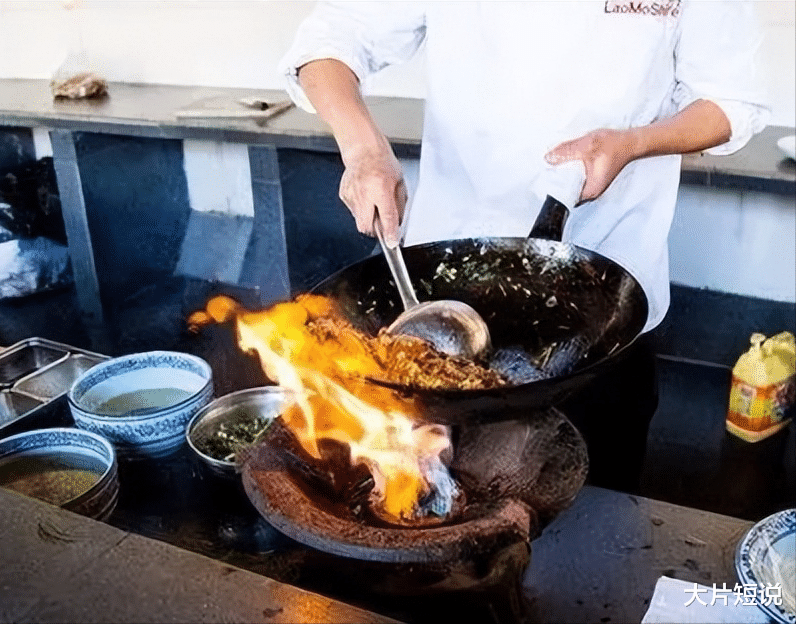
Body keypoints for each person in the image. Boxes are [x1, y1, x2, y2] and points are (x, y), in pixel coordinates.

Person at [278, 1, 770, 492]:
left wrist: (633, 144)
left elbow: (729, 105)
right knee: (430, 518)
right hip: (441, 296)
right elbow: (329, 42)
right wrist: (363, 148)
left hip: (604, 312)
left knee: (598, 526)